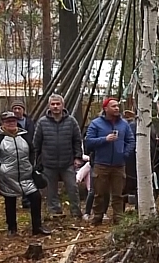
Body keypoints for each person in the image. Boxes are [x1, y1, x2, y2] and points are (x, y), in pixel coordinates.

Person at [0, 111, 50, 236]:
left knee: (36, 197)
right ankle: (12, 228)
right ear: (3, 123)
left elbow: (33, 150)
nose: (11, 123)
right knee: (10, 202)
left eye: (13, 121)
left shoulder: (25, 136)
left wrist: (31, 165)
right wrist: (0, 169)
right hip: (8, 176)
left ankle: (37, 227)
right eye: (8, 121)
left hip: (26, 174)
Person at [84, 98, 134, 226]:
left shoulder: (124, 124)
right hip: (101, 164)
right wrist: (104, 139)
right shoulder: (96, 124)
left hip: (119, 165)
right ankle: (97, 217)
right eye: (113, 106)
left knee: (118, 194)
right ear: (106, 109)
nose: (117, 108)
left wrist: (125, 154)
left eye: (117, 106)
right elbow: (88, 141)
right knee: (99, 194)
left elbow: (131, 141)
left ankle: (118, 218)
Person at [34, 94, 84, 218]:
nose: (55, 106)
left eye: (58, 104)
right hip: (48, 163)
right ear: (49, 106)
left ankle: (76, 212)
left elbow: (77, 140)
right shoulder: (42, 122)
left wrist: (78, 157)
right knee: (51, 190)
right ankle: (55, 212)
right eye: (53, 104)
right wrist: (37, 161)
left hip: (67, 162)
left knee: (72, 188)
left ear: (63, 105)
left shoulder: (71, 121)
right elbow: (36, 143)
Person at [10, 100, 35, 209]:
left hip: (27, 151)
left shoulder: (29, 121)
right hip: (13, 152)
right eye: (14, 108)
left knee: (26, 175)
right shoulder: (9, 122)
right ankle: (12, 200)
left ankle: (26, 200)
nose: (16, 110)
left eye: (19, 108)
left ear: (23, 110)